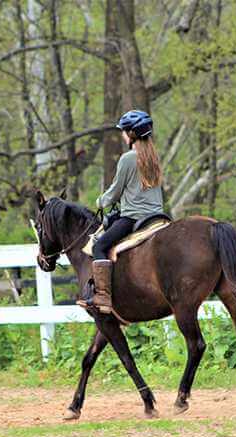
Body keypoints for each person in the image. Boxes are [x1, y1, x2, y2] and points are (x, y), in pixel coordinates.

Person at [86, 110, 164, 314]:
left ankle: (103, 297)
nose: (122, 135)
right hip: (157, 217)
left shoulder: (128, 158)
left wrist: (100, 201)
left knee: (99, 246)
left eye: (124, 131)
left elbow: (115, 191)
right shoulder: (154, 156)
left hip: (133, 217)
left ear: (132, 134)